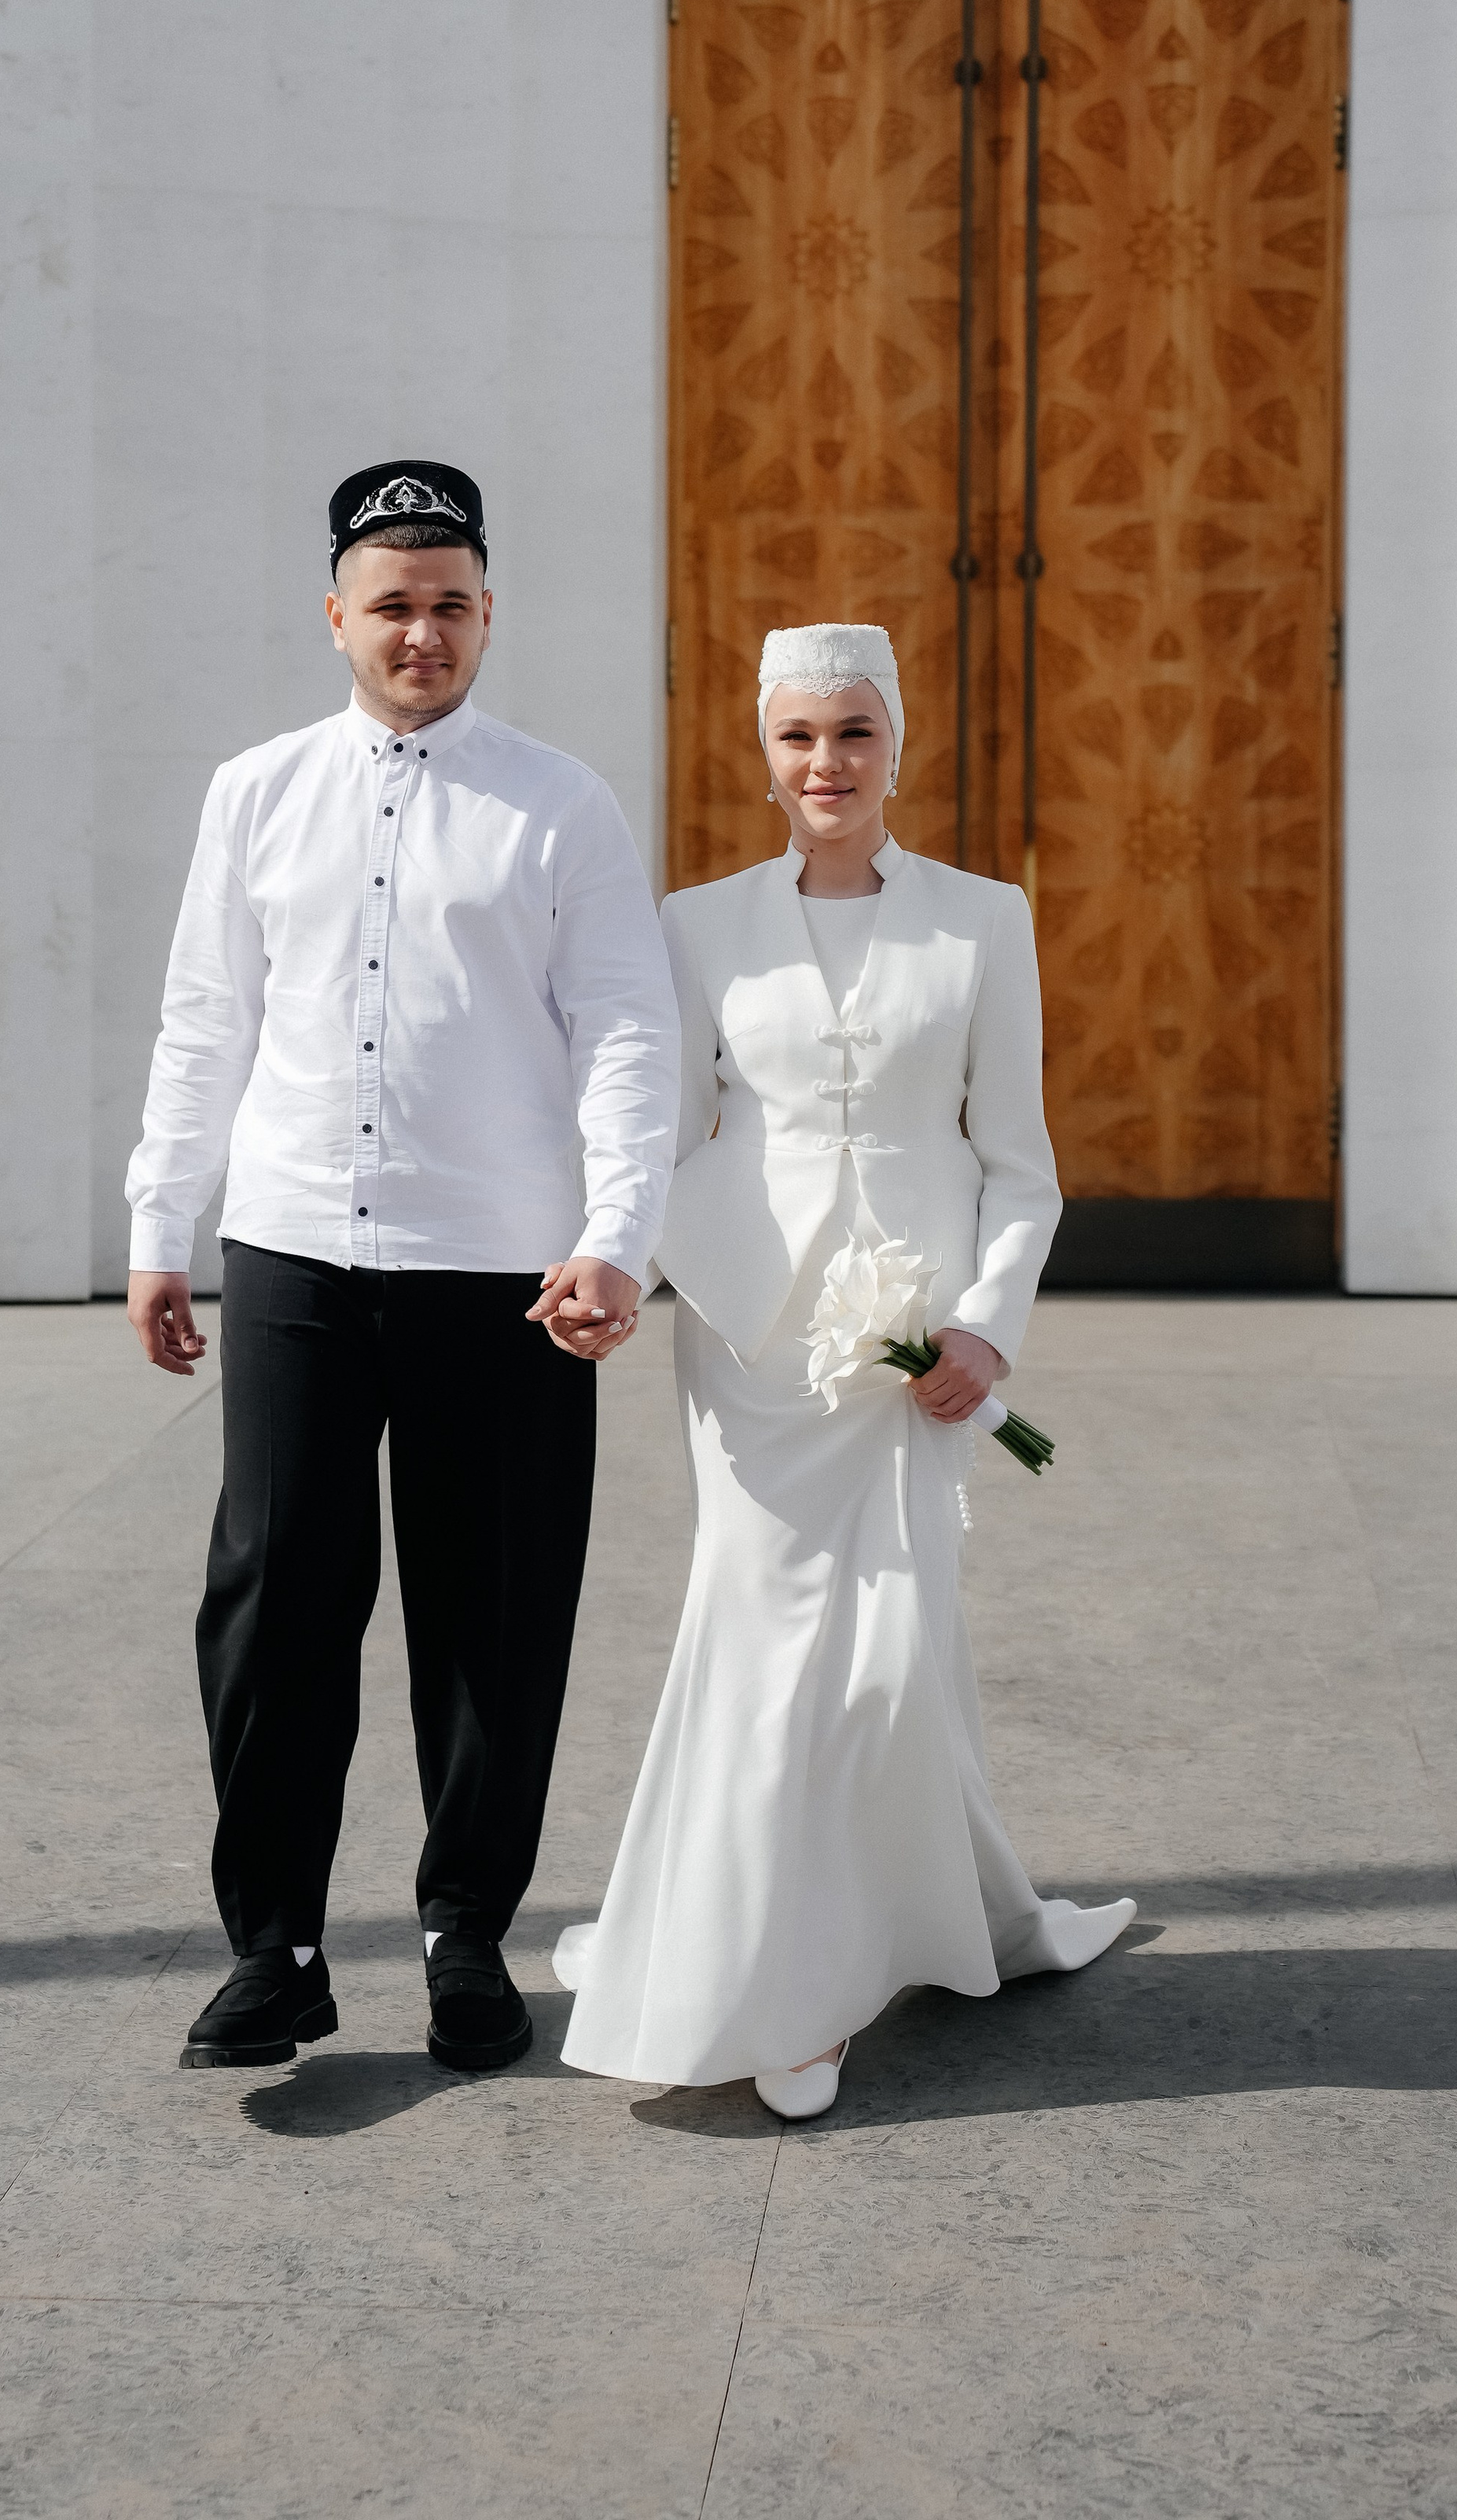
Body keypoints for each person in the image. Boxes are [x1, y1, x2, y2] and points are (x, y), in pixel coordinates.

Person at [125, 462, 679, 2074]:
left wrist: (614, 1238)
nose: (419, 633)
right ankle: (276, 1951)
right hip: (291, 1250)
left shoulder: (562, 803)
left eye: (448, 606)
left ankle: (463, 1940)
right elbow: (201, 1021)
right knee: (273, 1600)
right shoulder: (253, 792)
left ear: (487, 614)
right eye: (391, 605)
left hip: (503, 1270)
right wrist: (165, 1227)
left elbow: (631, 1034)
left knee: (491, 1617)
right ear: (335, 619)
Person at [555, 621, 1134, 2119]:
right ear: (764, 750)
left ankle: (928, 1920)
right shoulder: (694, 925)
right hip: (753, 1346)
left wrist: (987, 1325)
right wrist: (628, 1266)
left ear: (898, 746)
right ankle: (783, 1993)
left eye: (856, 734)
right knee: (761, 1646)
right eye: (802, 737)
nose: (829, 764)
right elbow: (658, 1135)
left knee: (891, 1658)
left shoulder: (982, 922)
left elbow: (1021, 1167)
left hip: (915, 1354)